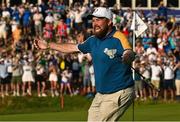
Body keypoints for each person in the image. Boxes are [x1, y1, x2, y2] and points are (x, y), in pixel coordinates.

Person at [34, 7, 135, 121]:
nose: (95, 23)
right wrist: (48, 45)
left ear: (109, 22)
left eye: (99, 20)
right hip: (101, 94)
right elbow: (72, 47)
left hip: (119, 92)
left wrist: (127, 56)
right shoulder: (92, 40)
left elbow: (129, 52)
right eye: (94, 20)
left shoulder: (118, 37)